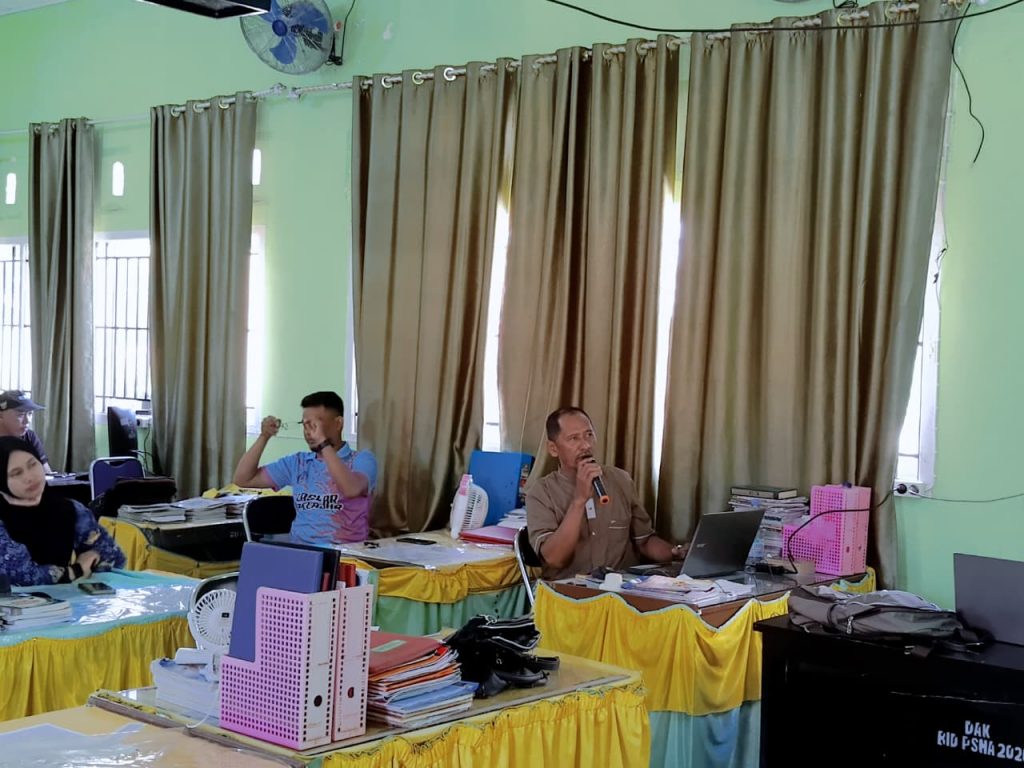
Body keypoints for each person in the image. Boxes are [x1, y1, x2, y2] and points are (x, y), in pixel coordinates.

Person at [526, 407, 686, 580]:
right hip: (568, 591)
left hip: (621, 588)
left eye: (589, 435)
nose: (586, 445)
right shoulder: (541, 493)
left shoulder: (620, 480)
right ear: (553, 449)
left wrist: (675, 552)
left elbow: (645, 541)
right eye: (574, 438)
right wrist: (579, 500)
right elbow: (554, 559)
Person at [232, 391, 377, 545]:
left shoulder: (362, 459)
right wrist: (264, 436)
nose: (308, 432)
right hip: (301, 552)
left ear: (338, 423)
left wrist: (323, 444)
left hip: (346, 553)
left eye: (314, 425)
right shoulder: (299, 462)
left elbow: (351, 489)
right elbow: (243, 479)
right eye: (305, 424)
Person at [0, 437, 125, 586]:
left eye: (32, 464)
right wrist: (77, 570)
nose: (30, 477)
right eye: (16, 473)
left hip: (62, 598)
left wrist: (93, 558)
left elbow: (113, 556)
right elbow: (20, 577)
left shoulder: (70, 509)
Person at [0, 390, 51, 473]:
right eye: (20, 415)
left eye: (30, 413)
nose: (27, 421)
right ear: (1, 415)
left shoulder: (29, 437)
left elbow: (47, 474)